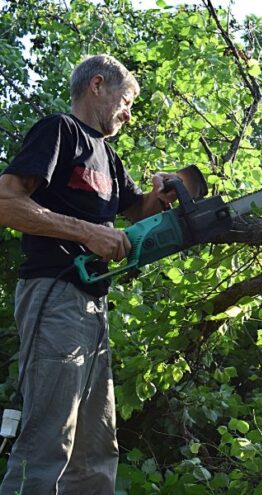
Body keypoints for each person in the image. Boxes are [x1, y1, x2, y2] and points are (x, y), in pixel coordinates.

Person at [0, 54, 177, 493]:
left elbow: (140, 212)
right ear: (98, 85)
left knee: (95, 450)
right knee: (48, 442)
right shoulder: (60, 130)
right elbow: (6, 202)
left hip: (93, 307)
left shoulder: (110, 159)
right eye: (126, 101)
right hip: (54, 293)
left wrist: (171, 189)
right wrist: (87, 232)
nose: (129, 114)